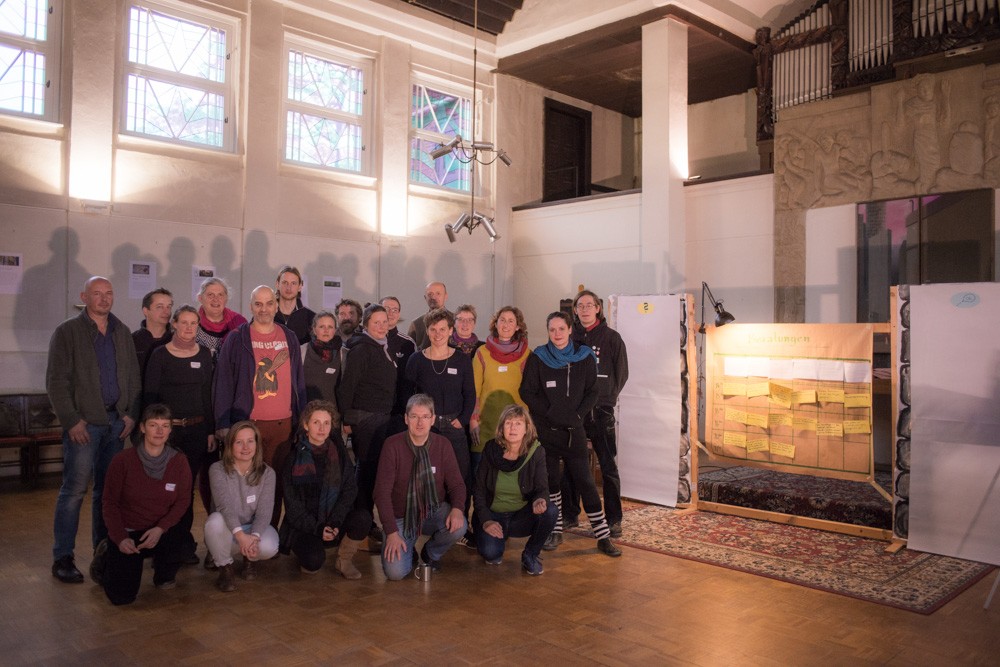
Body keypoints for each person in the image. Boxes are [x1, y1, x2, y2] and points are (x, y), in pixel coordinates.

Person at [47, 276, 141, 584]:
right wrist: (71, 420)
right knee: (73, 492)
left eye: (108, 294)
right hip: (84, 427)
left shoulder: (122, 332)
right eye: (97, 294)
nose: (103, 299)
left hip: (117, 425)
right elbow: (57, 382)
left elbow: (132, 380)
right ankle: (63, 557)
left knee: (107, 493)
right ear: (84, 296)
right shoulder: (67, 332)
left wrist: (130, 415)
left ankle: (103, 554)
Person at [520, 311, 621, 558]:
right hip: (547, 432)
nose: (557, 334)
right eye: (552, 330)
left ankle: (603, 536)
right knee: (552, 483)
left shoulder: (584, 357)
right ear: (547, 332)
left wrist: (577, 417)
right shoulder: (538, 357)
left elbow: (592, 392)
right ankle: (555, 531)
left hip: (574, 431)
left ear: (569, 330)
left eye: (561, 329)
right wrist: (552, 413)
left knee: (586, 483)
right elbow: (527, 392)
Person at [214, 285, 307, 528]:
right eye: (258, 304)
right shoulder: (237, 338)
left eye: (268, 304)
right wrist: (223, 423)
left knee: (273, 485)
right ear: (251, 306)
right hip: (247, 425)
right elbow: (223, 382)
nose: (264, 309)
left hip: (283, 426)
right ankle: (238, 534)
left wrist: (302, 418)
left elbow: (298, 380)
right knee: (243, 484)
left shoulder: (289, 337)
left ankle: (267, 533)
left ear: (276, 306)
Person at [143, 305, 216, 564]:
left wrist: (210, 430)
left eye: (193, 323)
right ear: (174, 323)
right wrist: (152, 431)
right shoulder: (160, 354)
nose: (188, 328)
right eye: (183, 322)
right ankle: (160, 543)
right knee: (164, 489)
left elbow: (208, 395)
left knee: (188, 490)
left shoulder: (205, 354)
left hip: (196, 430)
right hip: (167, 434)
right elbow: (150, 396)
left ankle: (184, 544)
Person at [100, 404, 192, 605]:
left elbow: (183, 500)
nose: (159, 431)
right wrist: (120, 537)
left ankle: (164, 573)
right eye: (153, 425)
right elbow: (109, 503)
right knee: (121, 598)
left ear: (170, 429)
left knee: (183, 540)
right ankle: (106, 555)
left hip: (160, 530)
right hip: (130, 532)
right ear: (142, 428)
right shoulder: (122, 461)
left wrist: (160, 528)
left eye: (165, 426)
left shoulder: (179, 461)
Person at [374, 394, 467, 580]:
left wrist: (457, 509)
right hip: (401, 516)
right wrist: (391, 532)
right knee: (395, 573)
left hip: (432, 510)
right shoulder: (392, 445)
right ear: (406, 418)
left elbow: (457, 484)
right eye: (415, 416)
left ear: (432, 419)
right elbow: (381, 494)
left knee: (460, 525)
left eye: (425, 417)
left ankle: (430, 554)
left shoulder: (442, 445)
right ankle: (408, 548)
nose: (420, 422)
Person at [562, 290, 629, 536]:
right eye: (580, 306)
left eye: (589, 305)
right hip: (575, 412)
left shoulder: (612, 338)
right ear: (576, 310)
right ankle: (570, 515)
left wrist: (606, 399)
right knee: (572, 464)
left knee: (608, 466)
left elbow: (621, 373)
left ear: (598, 308)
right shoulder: (570, 337)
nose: (585, 309)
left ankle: (614, 520)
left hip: (601, 411)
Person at [279, 401, 371, 577]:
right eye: (316, 423)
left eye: (326, 423)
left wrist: (335, 522)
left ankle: (344, 559)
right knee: (313, 562)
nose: (322, 428)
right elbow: (293, 507)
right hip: (305, 526)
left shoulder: (339, 453)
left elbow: (350, 489)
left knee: (363, 518)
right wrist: (318, 528)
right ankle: (306, 551)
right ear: (306, 425)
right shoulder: (293, 458)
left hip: (333, 521)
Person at [474, 405, 557, 575]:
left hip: (520, 517)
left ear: (527, 428)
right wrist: (486, 520)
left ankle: (531, 555)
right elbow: (479, 490)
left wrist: (540, 500)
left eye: (518, 423)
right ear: (501, 427)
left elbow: (543, 488)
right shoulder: (490, 449)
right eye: (508, 423)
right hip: (492, 516)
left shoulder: (536, 452)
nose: (512, 428)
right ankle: (494, 537)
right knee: (492, 555)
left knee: (551, 510)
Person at [404, 308, 475, 508]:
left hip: (454, 426)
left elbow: (470, 394)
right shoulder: (416, 360)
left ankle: (459, 517)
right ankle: (429, 517)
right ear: (427, 331)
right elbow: (407, 395)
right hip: (426, 428)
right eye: (433, 330)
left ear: (451, 330)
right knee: (428, 473)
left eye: (442, 329)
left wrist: (462, 420)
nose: (438, 334)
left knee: (461, 475)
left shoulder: (461, 359)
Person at [336, 304, 397, 536]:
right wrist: (347, 418)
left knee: (371, 472)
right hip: (366, 421)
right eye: (376, 323)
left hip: (380, 420)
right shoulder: (363, 349)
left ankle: (365, 521)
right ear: (366, 326)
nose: (381, 326)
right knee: (366, 473)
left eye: (384, 322)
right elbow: (347, 387)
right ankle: (362, 524)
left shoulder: (382, 347)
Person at [205, 421, 279, 591]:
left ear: (257, 444)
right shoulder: (217, 470)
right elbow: (225, 507)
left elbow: (265, 511)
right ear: (230, 445)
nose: (245, 447)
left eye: (250, 441)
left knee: (270, 546)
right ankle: (225, 567)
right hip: (228, 531)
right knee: (214, 521)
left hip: (250, 529)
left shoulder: (268, 473)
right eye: (239, 442)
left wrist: (254, 537)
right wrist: (241, 537)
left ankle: (249, 560)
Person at [470, 306, 531, 475]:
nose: (506, 324)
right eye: (502, 320)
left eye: (511, 321)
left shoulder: (527, 354)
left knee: (512, 477)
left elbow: (531, 391)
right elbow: (474, 388)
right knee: (481, 476)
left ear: (518, 326)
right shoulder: (482, 352)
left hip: (515, 425)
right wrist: (473, 419)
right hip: (485, 422)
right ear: (495, 324)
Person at [301, 311, 342, 427]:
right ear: (314, 329)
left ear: (335, 330)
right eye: (321, 326)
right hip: (306, 417)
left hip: (333, 418)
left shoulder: (343, 354)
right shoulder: (301, 352)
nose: (326, 330)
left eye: (330, 327)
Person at [380, 295, 416, 416]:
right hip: (373, 407)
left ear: (399, 314)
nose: (390, 313)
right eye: (386, 309)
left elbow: (411, 379)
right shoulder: (368, 340)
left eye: (395, 310)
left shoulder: (408, 343)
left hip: (400, 409)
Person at [195, 277, 247, 357]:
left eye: (220, 295)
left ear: (226, 299)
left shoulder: (239, 323)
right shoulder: (192, 323)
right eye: (210, 295)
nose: (216, 299)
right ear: (200, 298)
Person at [132, 288, 173, 381]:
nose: (166, 312)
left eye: (169, 307)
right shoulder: (132, 341)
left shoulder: (176, 341)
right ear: (146, 311)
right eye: (160, 307)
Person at [274, 266, 315, 345]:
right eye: (285, 282)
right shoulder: (266, 314)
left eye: (293, 283)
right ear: (277, 284)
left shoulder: (311, 318)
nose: (289, 287)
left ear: (300, 287)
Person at [407, 281, 449, 349]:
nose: (433, 297)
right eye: (430, 294)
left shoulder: (456, 320)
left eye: (438, 293)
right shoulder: (416, 324)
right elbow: (408, 350)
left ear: (446, 296)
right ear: (425, 297)